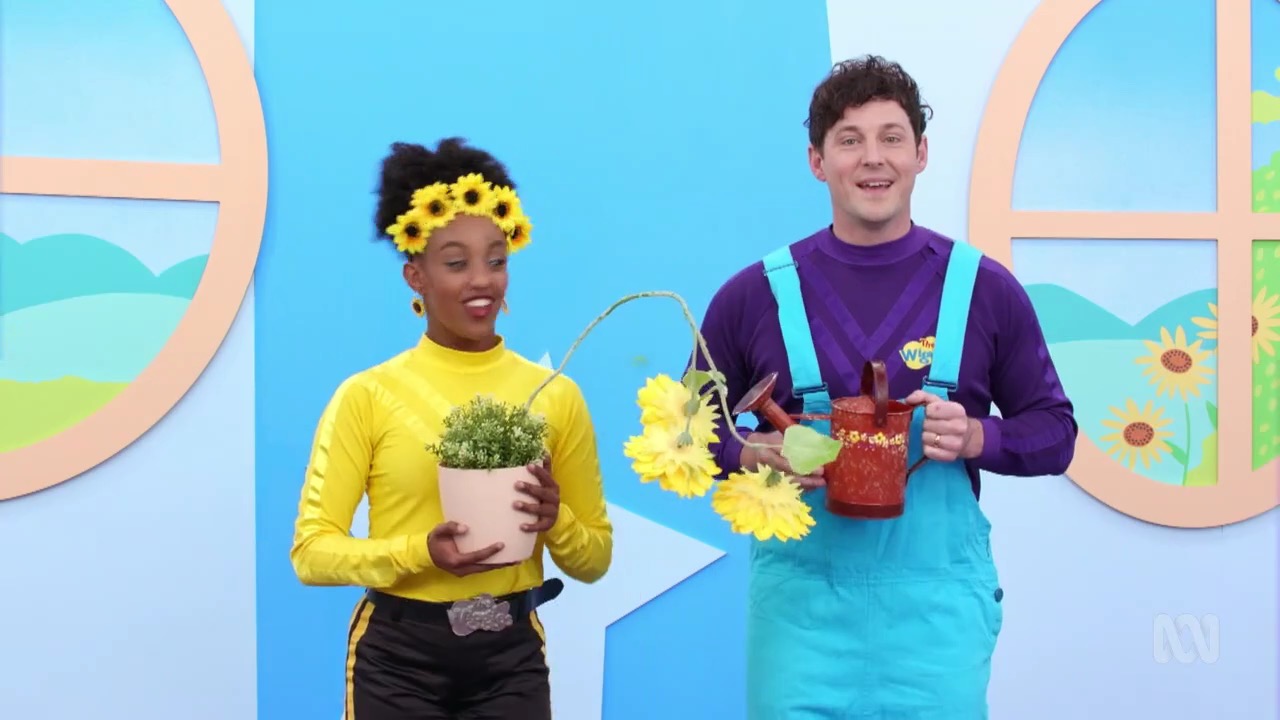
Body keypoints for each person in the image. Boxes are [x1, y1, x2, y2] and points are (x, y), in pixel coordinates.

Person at [694, 56, 1077, 718]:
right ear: (817, 161)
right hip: (801, 626)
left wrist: (977, 436)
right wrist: (752, 452)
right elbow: (680, 433)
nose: (873, 158)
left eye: (892, 137)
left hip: (936, 626)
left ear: (921, 154)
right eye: (850, 139)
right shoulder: (752, 296)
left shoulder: (985, 290)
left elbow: (1056, 433)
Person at [289, 138, 613, 719]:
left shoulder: (555, 395)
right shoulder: (368, 396)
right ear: (415, 276)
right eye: (456, 263)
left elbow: (594, 560)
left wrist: (555, 519)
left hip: (512, 659)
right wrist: (421, 553)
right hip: (397, 661)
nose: (482, 280)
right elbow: (312, 553)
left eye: (497, 260)